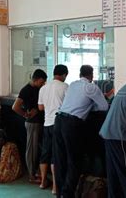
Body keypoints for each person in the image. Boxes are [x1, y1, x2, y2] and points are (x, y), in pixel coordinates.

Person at [54, 65, 108, 198]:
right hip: (72, 124)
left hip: (59, 120)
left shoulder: (73, 84)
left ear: (80, 74)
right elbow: (104, 106)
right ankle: (67, 195)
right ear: (91, 75)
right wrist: (94, 102)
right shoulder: (91, 87)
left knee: (61, 159)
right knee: (74, 161)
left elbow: (76, 101)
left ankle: (60, 193)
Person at [12, 69, 47, 183]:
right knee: (32, 150)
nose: (43, 84)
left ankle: (36, 171)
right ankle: (32, 175)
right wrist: (25, 115)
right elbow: (15, 107)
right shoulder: (26, 90)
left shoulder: (39, 89)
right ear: (35, 79)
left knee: (38, 149)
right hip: (33, 123)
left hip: (40, 122)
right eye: (41, 82)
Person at [38, 64, 69, 194]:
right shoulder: (65, 87)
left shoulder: (44, 88)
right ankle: (55, 187)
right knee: (56, 155)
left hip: (47, 124)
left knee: (45, 153)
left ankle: (43, 181)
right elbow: (69, 105)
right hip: (59, 124)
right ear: (64, 75)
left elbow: (40, 107)